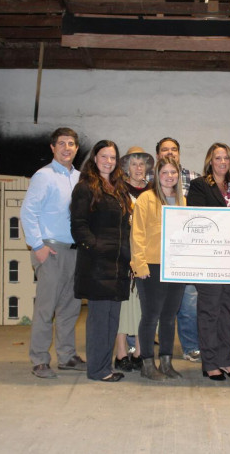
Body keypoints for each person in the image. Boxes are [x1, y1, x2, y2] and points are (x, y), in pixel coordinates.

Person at [21, 127, 85, 379]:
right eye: (61, 143)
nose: (66, 148)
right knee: (46, 309)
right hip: (51, 250)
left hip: (74, 252)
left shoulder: (80, 178)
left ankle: (67, 356)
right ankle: (39, 359)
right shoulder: (43, 176)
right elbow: (28, 212)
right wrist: (37, 246)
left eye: (71, 144)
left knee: (70, 308)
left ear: (76, 148)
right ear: (52, 147)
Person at [187, 142, 230, 381]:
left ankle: (226, 360)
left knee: (229, 310)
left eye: (226, 158)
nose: (222, 162)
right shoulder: (199, 185)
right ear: (210, 161)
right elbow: (198, 219)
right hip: (210, 258)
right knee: (209, 310)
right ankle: (210, 362)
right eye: (217, 158)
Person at [71, 140, 132, 382]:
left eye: (113, 157)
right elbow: (79, 225)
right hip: (97, 265)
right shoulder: (85, 188)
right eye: (104, 156)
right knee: (99, 320)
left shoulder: (118, 188)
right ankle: (97, 369)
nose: (109, 161)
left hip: (118, 264)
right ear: (94, 158)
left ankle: (105, 366)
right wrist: (96, 248)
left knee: (112, 320)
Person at [131, 156, 186, 380]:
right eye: (165, 172)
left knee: (169, 317)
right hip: (151, 266)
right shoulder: (146, 199)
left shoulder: (183, 201)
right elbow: (137, 234)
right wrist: (140, 264)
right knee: (151, 316)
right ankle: (147, 365)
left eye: (173, 172)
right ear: (157, 175)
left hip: (175, 267)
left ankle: (166, 363)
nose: (169, 176)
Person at [154, 137, 202, 363]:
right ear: (157, 155)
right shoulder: (150, 181)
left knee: (189, 304)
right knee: (154, 306)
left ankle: (191, 347)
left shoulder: (195, 179)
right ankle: (147, 348)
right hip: (157, 254)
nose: (170, 153)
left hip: (185, 255)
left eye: (174, 149)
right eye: (165, 150)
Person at [113, 147, 154, 372]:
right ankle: (120, 353)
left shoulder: (153, 191)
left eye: (142, 164)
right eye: (134, 164)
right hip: (122, 255)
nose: (138, 168)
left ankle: (139, 352)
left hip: (147, 256)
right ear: (126, 168)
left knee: (143, 306)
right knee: (122, 306)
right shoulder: (117, 191)